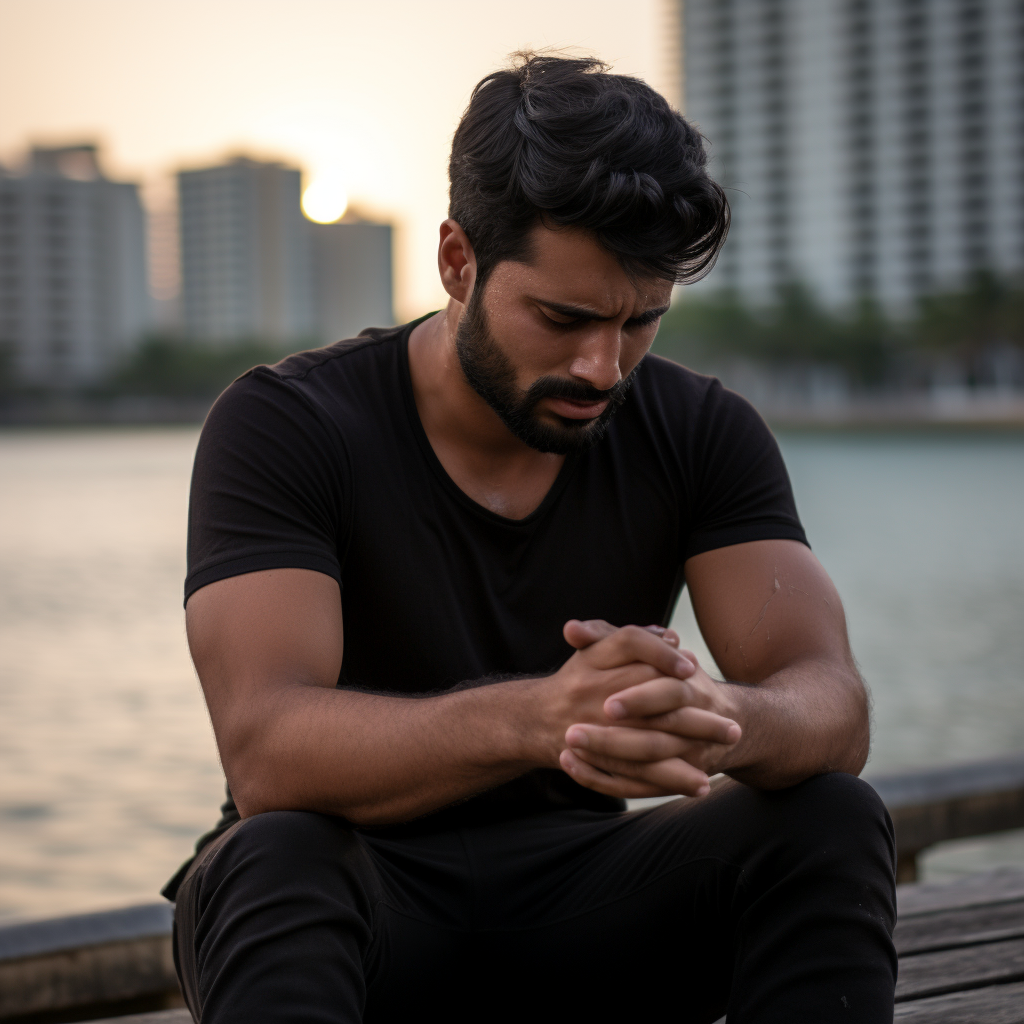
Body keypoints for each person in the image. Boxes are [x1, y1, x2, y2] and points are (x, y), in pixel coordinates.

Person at [165, 53, 897, 1024]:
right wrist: (537, 718)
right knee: (274, 853)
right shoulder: (287, 424)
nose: (603, 366)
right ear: (458, 261)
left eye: (642, 322)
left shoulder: (701, 430)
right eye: (563, 318)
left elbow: (832, 705)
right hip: (353, 903)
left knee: (830, 817)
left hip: (586, 901)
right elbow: (266, 752)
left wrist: (716, 713)